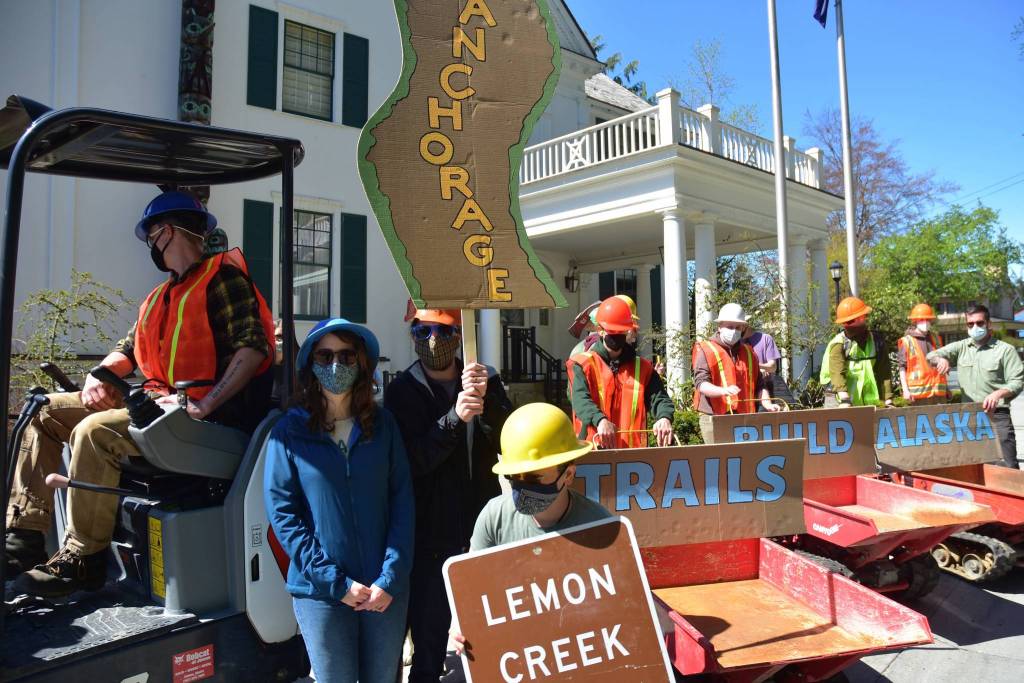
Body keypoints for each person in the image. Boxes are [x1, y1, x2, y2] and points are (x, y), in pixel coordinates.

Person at [8, 191, 275, 596]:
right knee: (44, 412)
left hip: (206, 420)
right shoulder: (158, 297)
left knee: (96, 431)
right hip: (155, 407)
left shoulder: (224, 280)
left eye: (151, 237)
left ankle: (83, 558)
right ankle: (23, 539)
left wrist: (204, 404)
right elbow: (128, 349)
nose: (150, 246)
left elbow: (252, 348)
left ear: (167, 231)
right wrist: (99, 375)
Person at [265, 318, 414, 683]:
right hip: (321, 594)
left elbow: (403, 503)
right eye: (325, 355)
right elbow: (284, 515)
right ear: (311, 364)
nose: (336, 365)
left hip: (384, 590)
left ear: (362, 364)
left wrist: (390, 578)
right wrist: (337, 584)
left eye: (347, 356)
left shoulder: (384, 426)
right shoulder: (288, 432)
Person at [384, 306, 512, 683]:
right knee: (428, 632)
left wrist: (486, 402)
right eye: (423, 331)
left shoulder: (484, 378)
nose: (433, 340)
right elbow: (412, 462)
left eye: (442, 330)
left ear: (459, 334)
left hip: (479, 525)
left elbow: (506, 437)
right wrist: (455, 418)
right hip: (428, 532)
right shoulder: (402, 391)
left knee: (487, 628)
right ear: (412, 335)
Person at [448, 402, 612, 660]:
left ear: (568, 475)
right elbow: (471, 591)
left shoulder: (600, 528)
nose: (522, 487)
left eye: (534, 478)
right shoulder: (494, 518)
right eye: (515, 477)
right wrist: (460, 623)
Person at [566, 296, 675, 449]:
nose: (617, 335)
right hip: (593, 450)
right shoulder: (582, 364)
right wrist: (600, 420)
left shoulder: (643, 368)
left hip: (633, 456)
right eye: (613, 331)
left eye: (621, 331)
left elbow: (660, 398)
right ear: (600, 331)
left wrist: (664, 417)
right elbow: (580, 400)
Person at [929, 304, 1024, 468]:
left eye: (980, 323)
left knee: (1008, 467)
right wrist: (941, 359)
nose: (975, 327)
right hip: (968, 417)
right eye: (970, 324)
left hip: (997, 415)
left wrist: (998, 394)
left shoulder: (1005, 350)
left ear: (988, 324)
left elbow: (1017, 381)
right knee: (974, 467)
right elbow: (931, 355)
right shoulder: (961, 347)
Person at [693, 304, 780, 444]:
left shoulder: (749, 352)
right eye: (729, 327)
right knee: (720, 460)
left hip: (744, 418)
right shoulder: (705, 349)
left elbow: (759, 384)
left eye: (738, 327)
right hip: (714, 417)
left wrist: (767, 404)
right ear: (719, 327)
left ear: (743, 329)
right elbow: (701, 384)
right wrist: (723, 391)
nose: (734, 331)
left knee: (744, 460)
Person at [819, 296, 894, 408]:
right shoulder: (838, 344)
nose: (848, 325)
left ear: (862, 318)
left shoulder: (876, 341)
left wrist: (889, 400)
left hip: (867, 403)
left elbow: (884, 372)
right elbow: (837, 373)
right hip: (838, 400)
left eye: (851, 321)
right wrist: (844, 399)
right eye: (847, 322)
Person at [897, 303, 950, 405]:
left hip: (939, 395)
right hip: (918, 397)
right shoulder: (907, 341)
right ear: (915, 321)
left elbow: (941, 366)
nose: (925, 322)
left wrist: (946, 388)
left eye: (927, 319)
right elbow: (902, 367)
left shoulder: (936, 339)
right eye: (921, 319)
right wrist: (905, 390)